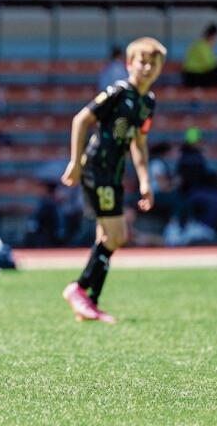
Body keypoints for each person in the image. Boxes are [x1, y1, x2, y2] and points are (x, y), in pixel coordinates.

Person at [60, 36, 167, 323]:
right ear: (130, 64)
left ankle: (90, 303)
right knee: (117, 236)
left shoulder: (148, 102)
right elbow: (81, 119)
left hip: (115, 172)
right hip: (98, 168)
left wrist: (144, 179)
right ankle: (78, 289)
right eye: (142, 61)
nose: (147, 68)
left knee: (106, 237)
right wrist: (75, 161)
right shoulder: (119, 92)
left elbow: (139, 141)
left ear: (159, 69)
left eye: (153, 63)